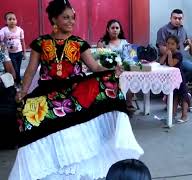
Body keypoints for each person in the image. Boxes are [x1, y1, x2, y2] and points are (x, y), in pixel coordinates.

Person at [9, 0, 143, 179]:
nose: (71, 21)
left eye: (73, 18)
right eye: (66, 18)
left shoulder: (79, 43)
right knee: (31, 119)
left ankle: (74, 164)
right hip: (48, 92)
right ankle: (50, 165)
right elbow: (31, 71)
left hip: (75, 90)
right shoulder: (40, 43)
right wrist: (23, 92)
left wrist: (112, 72)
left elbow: (95, 68)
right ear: (54, 19)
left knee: (79, 124)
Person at [156, 9, 192, 112]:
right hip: (168, 61)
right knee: (176, 71)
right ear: (170, 18)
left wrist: (190, 45)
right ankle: (177, 92)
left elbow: (190, 51)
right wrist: (171, 55)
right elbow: (161, 48)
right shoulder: (163, 30)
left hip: (181, 59)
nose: (177, 20)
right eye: (175, 18)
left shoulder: (183, 30)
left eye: (180, 18)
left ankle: (179, 89)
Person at [97, 19, 136, 111]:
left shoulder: (124, 42)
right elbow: (100, 59)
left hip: (123, 69)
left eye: (117, 28)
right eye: (113, 28)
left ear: (120, 30)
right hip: (109, 70)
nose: (115, 30)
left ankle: (128, 103)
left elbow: (131, 56)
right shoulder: (103, 43)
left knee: (131, 78)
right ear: (108, 29)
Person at [159, 35, 189, 123]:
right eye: (168, 43)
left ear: (177, 45)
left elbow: (171, 64)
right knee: (173, 96)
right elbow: (161, 62)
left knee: (183, 97)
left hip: (179, 79)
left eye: (172, 44)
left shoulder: (178, 54)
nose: (169, 46)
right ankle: (172, 114)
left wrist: (169, 55)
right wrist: (165, 54)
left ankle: (184, 115)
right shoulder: (167, 53)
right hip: (171, 79)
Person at [0, 12, 26, 84]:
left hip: (19, 52)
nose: (12, 21)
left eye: (14, 19)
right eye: (10, 19)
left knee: (18, 67)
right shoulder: (4, 30)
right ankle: (18, 80)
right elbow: (1, 40)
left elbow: (23, 41)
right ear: (6, 21)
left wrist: (24, 52)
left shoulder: (20, 30)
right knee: (15, 68)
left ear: (16, 20)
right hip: (10, 54)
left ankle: (15, 80)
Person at [0, 43, 18, 149]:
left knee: (8, 112)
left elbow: (12, 73)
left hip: (3, 86)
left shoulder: (1, 54)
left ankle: (9, 142)